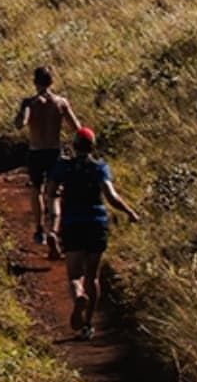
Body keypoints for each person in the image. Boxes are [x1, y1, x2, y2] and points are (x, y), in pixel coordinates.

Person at [48, 126, 140, 339]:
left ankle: (79, 295)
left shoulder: (64, 167)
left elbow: (51, 192)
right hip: (96, 223)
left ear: (73, 145)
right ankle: (88, 324)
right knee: (93, 277)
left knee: (74, 275)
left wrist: (60, 193)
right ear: (92, 147)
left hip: (72, 223)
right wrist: (130, 212)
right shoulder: (100, 168)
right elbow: (111, 196)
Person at [13, 65, 80, 251]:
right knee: (54, 194)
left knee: (36, 190)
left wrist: (23, 112)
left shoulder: (29, 102)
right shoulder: (61, 102)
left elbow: (21, 123)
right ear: (52, 81)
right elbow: (76, 127)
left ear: (35, 82)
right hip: (54, 151)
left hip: (36, 152)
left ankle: (39, 229)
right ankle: (54, 231)